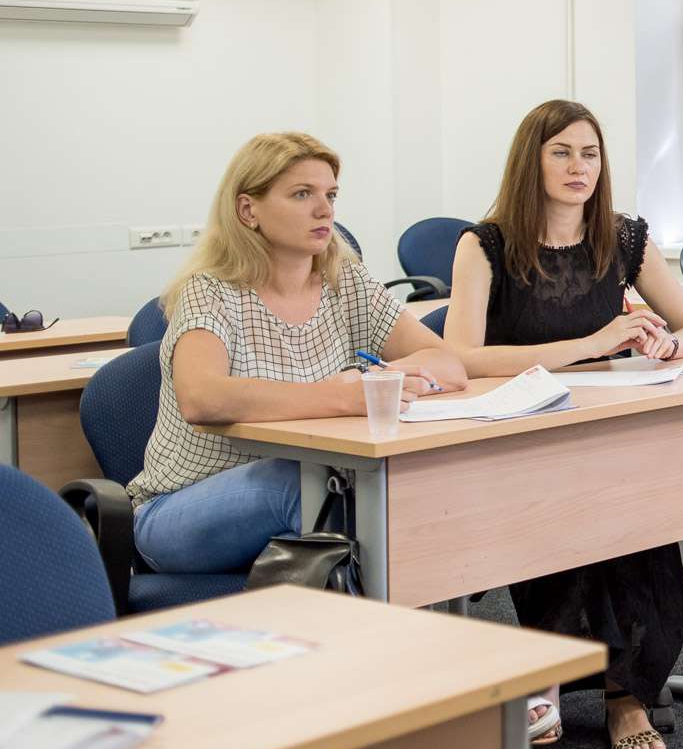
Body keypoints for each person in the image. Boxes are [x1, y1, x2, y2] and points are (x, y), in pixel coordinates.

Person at [445, 99, 683, 749]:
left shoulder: (624, 239)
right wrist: (593, 344)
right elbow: (461, 358)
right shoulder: (485, 245)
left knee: (638, 538)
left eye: (590, 153)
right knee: (566, 532)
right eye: (562, 153)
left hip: (609, 432)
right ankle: (547, 679)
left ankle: (626, 695)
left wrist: (667, 346)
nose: (579, 167)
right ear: (531, 162)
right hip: (521, 436)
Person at [129, 132, 467, 575]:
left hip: (309, 483)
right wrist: (341, 395)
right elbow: (202, 398)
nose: (324, 210)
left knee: (387, 481)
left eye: (331, 195)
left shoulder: (345, 281)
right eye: (302, 194)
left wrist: (377, 381)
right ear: (248, 210)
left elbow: (447, 364)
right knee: (307, 485)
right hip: (180, 510)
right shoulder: (210, 291)